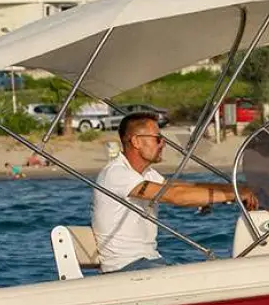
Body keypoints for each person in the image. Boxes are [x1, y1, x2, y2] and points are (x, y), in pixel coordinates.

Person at [92, 113, 257, 273]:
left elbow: (186, 187)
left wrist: (240, 188)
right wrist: (235, 194)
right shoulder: (116, 174)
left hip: (149, 261)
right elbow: (176, 196)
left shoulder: (147, 174)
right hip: (124, 268)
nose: (163, 144)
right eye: (158, 139)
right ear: (136, 142)